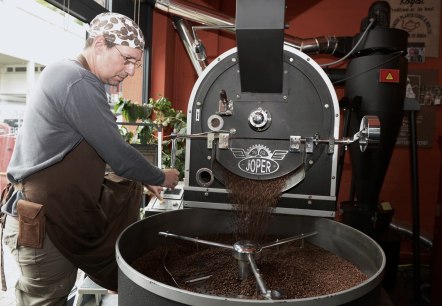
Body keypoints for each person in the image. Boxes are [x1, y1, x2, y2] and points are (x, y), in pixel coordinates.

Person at [0, 12, 180, 306]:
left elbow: (97, 151)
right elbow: (117, 153)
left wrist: (140, 178)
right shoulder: (76, 81)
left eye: (137, 63)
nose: (132, 71)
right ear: (99, 44)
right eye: (127, 59)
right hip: (44, 224)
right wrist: (161, 176)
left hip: (57, 218)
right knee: (45, 299)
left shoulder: (72, 76)